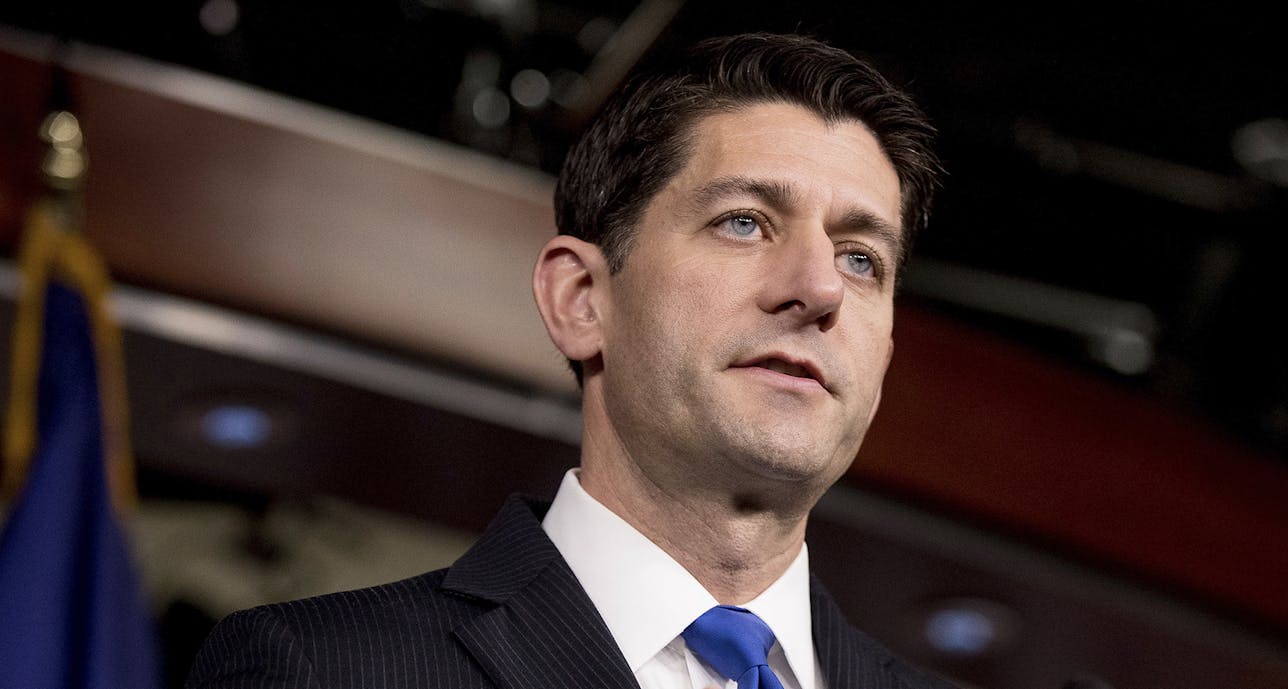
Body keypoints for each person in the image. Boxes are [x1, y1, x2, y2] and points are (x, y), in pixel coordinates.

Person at [186, 31, 951, 689]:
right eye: (745, 222)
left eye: (860, 259)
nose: (820, 289)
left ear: (881, 355)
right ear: (582, 298)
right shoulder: (323, 670)